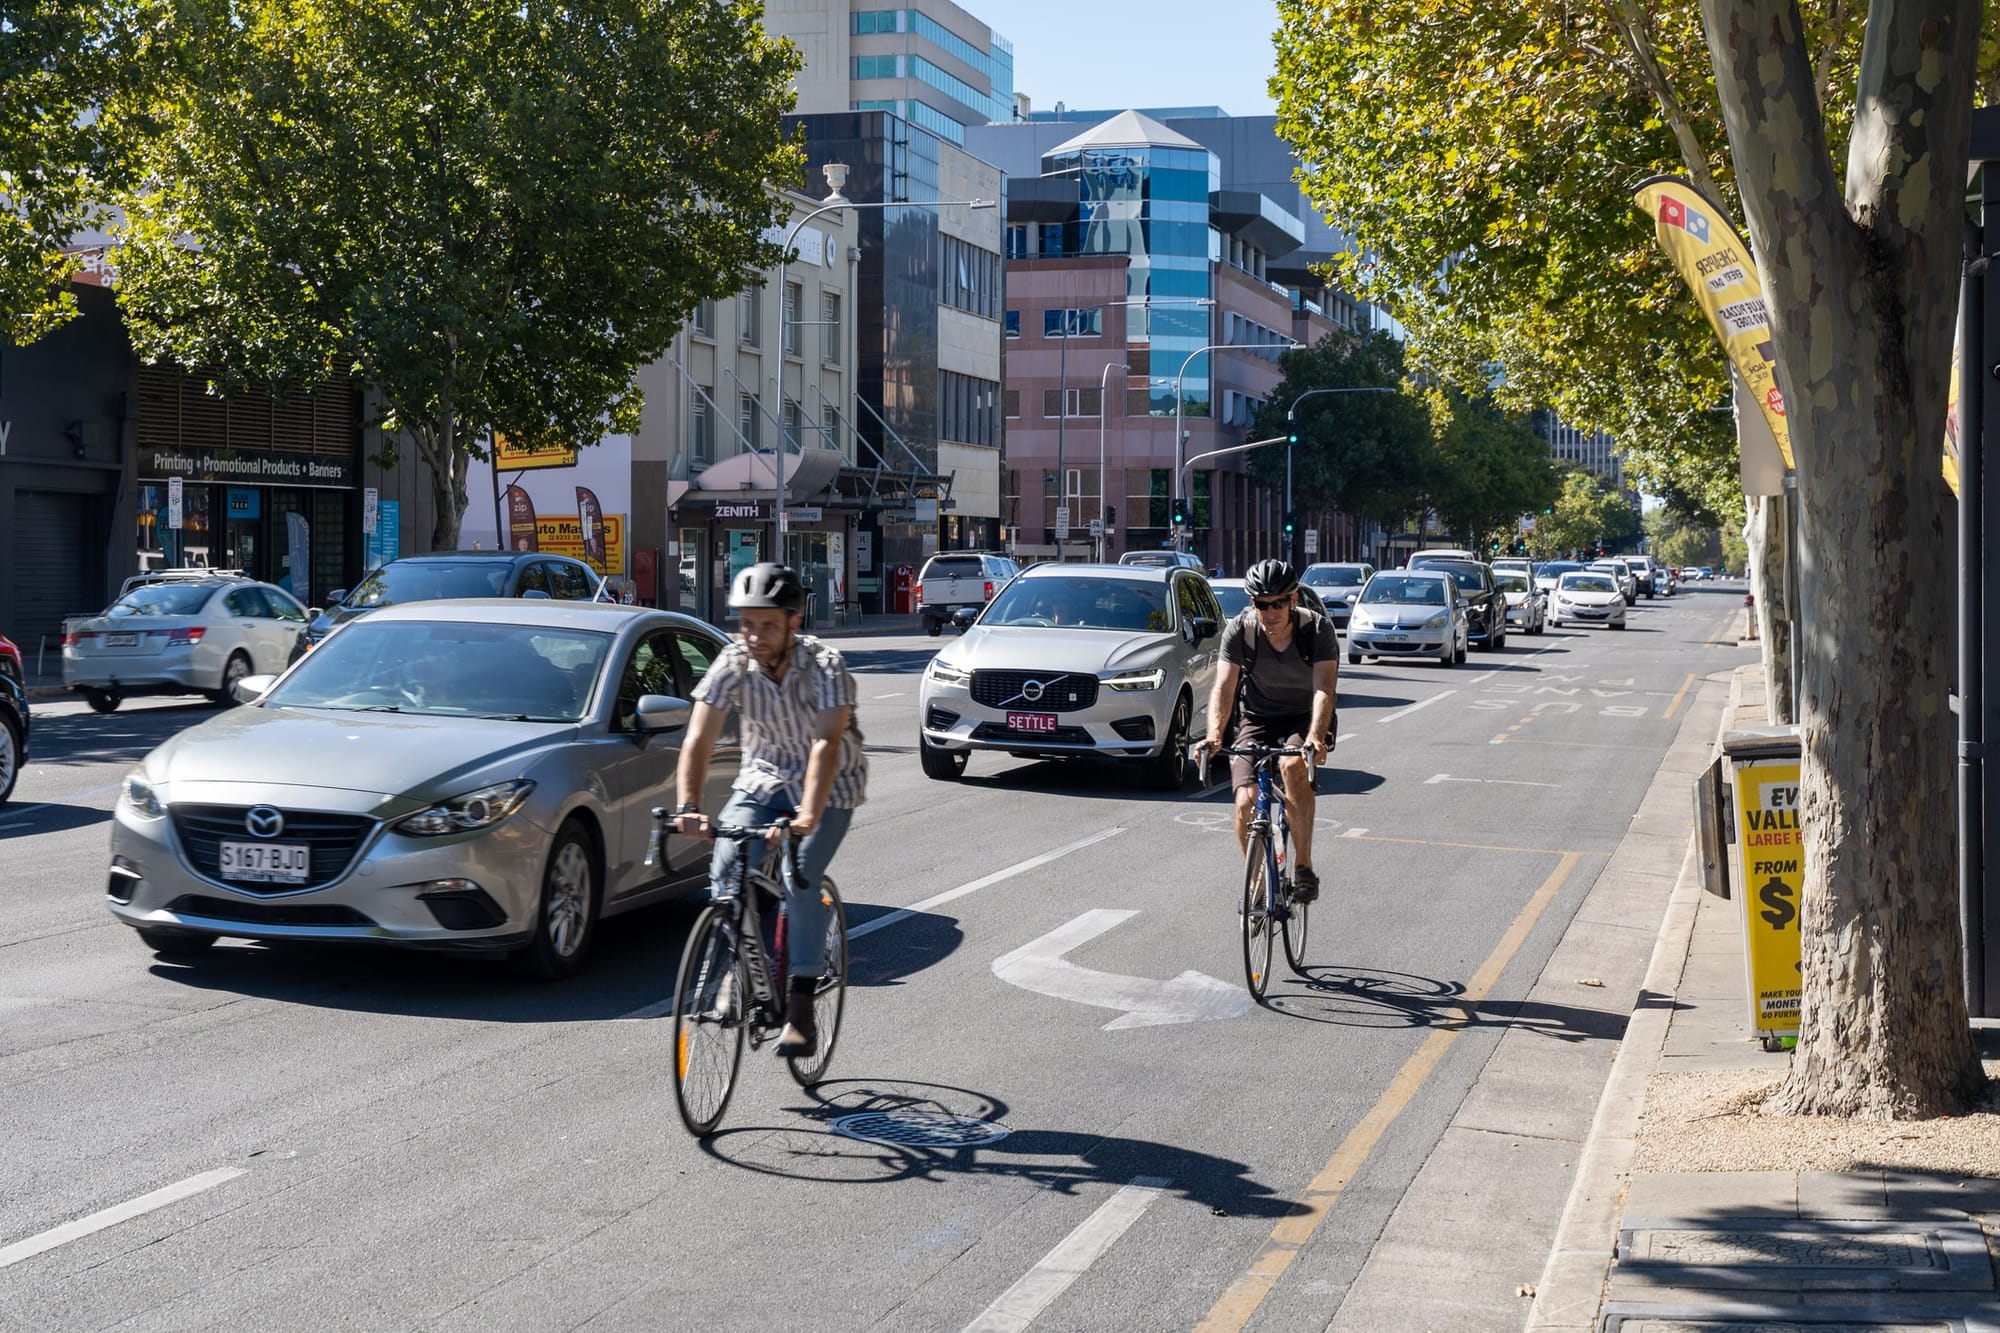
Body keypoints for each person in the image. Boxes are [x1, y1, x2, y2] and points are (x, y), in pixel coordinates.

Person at [672, 562, 867, 1055]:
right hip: (762, 780)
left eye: (767, 625)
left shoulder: (825, 665)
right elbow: (697, 739)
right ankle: (736, 977)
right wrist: (689, 806)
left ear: (792, 622)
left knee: (800, 875)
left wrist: (804, 818)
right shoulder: (732, 663)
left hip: (830, 785)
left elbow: (825, 743)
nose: (755, 636)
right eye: (747, 623)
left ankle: (801, 1002)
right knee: (726, 867)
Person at [1195, 559, 1339, 903]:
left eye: (1278, 603)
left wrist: (1316, 737)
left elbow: (1324, 689)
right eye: (1262, 604)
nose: (1270, 611)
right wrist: (1215, 735)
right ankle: (1259, 877)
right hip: (1257, 717)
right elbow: (1224, 687)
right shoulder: (1240, 631)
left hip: (1305, 717)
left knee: (1292, 767)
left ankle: (1303, 867)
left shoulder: (1316, 630)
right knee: (1244, 803)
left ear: (1293, 600)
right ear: (1252, 603)